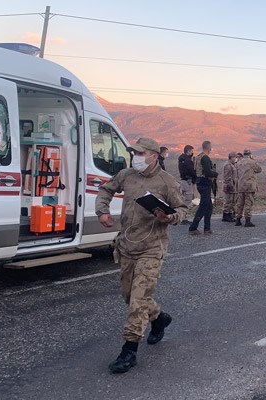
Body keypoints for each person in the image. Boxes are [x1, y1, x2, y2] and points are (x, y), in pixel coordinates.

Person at [95, 137, 188, 374]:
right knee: (130, 295)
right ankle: (158, 319)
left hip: (152, 247)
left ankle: (129, 350)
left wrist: (169, 217)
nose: (135, 156)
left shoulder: (167, 182)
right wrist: (102, 211)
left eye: (139, 153)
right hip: (127, 245)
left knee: (138, 299)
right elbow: (105, 189)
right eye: (133, 152)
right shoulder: (126, 175)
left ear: (153, 156)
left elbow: (182, 209)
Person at [189, 141, 218, 235]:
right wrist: (216, 174)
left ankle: (207, 228)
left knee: (209, 206)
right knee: (203, 206)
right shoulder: (205, 158)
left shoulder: (198, 157)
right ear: (209, 147)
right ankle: (193, 227)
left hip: (200, 182)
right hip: (205, 183)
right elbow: (207, 172)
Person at [235, 149, 262, 227]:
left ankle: (238, 219)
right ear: (250, 154)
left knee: (240, 203)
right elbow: (259, 169)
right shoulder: (252, 162)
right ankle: (247, 221)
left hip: (240, 186)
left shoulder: (239, 163)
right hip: (249, 186)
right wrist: (253, 160)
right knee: (248, 203)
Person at [177, 145, 196, 223]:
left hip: (182, 181)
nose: (192, 153)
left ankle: (180, 216)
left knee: (182, 200)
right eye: (191, 151)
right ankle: (183, 218)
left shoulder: (181, 159)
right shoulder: (187, 160)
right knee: (187, 200)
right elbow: (192, 171)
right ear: (188, 151)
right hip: (188, 182)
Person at [221, 152, 238, 222]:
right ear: (232, 157)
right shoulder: (228, 165)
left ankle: (230, 214)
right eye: (235, 157)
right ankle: (226, 215)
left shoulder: (232, 165)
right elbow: (228, 177)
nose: (236, 159)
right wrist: (230, 185)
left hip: (233, 185)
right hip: (229, 186)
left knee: (232, 201)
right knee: (228, 201)